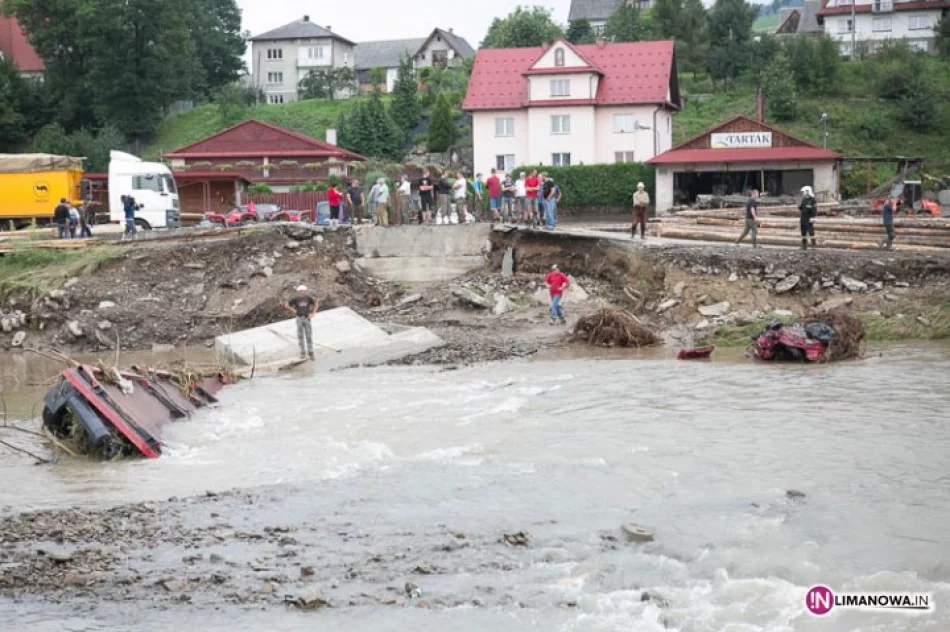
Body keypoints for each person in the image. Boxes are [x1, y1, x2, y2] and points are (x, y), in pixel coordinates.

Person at [284, 285, 318, 360]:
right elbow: (286, 305)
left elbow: (316, 304)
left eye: (304, 291)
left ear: (305, 291)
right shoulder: (296, 299)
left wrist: (313, 313)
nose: (303, 292)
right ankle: (303, 352)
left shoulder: (308, 298)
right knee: (300, 336)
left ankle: (311, 352)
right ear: (298, 291)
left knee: (308, 336)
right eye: (301, 291)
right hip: (299, 318)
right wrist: (293, 310)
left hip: (307, 318)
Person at [799, 186, 818, 250]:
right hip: (803, 218)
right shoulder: (804, 200)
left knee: (811, 232)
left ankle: (813, 245)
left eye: (803, 192)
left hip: (809, 218)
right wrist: (799, 206)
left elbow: (814, 209)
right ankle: (804, 245)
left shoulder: (812, 200)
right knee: (803, 232)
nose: (803, 193)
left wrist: (812, 217)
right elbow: (801, 208)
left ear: (807, 191)